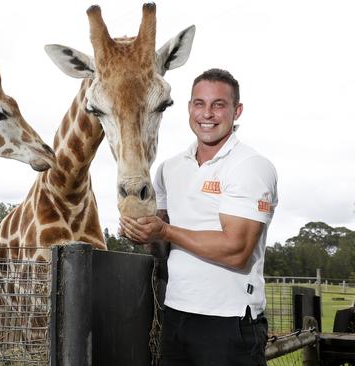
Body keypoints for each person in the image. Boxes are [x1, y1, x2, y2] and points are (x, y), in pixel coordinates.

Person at [120, 68, 278, 366]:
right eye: (199, 103)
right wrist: (141, 232)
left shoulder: (251, 166)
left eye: (219, 104)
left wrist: (165, 231)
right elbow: (160, 247)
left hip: (229, 321)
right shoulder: (169, 167)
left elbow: (236, 250)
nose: (207, 113)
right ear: (189, 108)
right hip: (177, 314)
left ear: (236, 110)